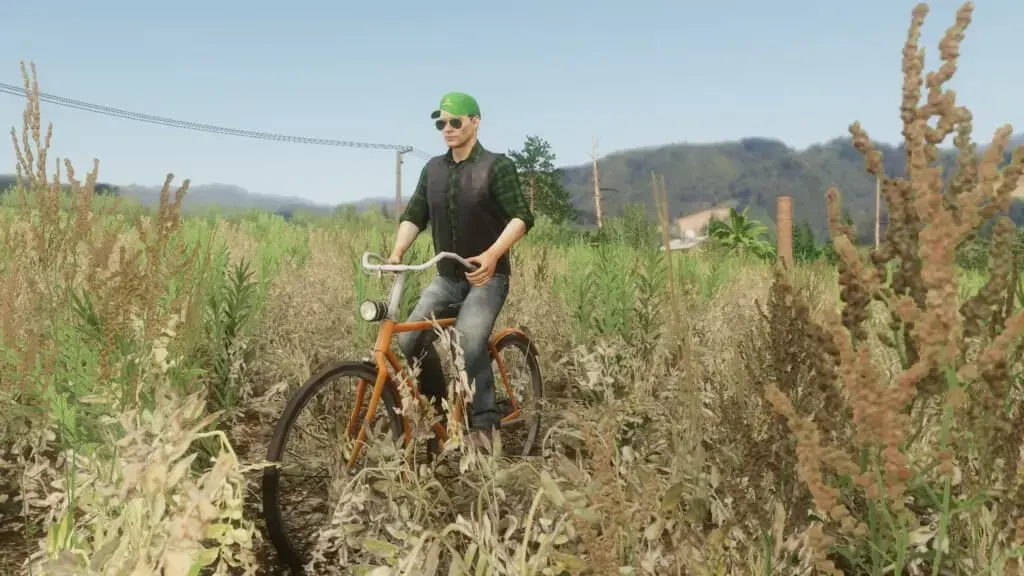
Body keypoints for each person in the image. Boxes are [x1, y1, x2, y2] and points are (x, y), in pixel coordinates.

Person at [386, 92, 534, 451]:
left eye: (455, 121)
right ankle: (437, 415)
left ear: (475, 122)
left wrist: (493, 255)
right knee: (409, 339)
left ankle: (484, 425)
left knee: (467, 340)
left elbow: (521, 216)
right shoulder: (433, 170)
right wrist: (397, 251)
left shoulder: (497, 166)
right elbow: (414, 215)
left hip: (488, 278)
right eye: (441, 123)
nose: (447, 128)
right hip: (447, 280)